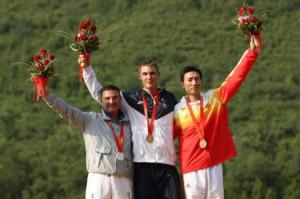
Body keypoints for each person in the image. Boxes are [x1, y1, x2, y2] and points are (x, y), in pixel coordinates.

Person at [173, 35, 262, 199]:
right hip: (191, 168)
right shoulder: (177, 112)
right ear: (182, 84)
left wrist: (252, 53)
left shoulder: (215, 99)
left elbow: (235, 78)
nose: (194, 83)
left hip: (214, 164)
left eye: (197, 79)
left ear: (201, 81)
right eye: (189, 80)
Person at [78, 59, 181, 198]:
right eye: (145, 74)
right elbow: (100, 93)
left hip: (167, 164)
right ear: (140, 76)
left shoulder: (170, 98)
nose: (149, 77)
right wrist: (86, 69)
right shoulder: (129, 98)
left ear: (158, 75)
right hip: (142, 166)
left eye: (152, 73)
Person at [41, 84, 133, 199]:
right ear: (101, 100)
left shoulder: (131, 124)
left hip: (123, 179)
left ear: (120, 99)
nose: (111, 101)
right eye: (107, 98)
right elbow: (67, 111)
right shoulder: (89, 119)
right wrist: (47, 96)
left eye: (115, 97)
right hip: (99, 178)